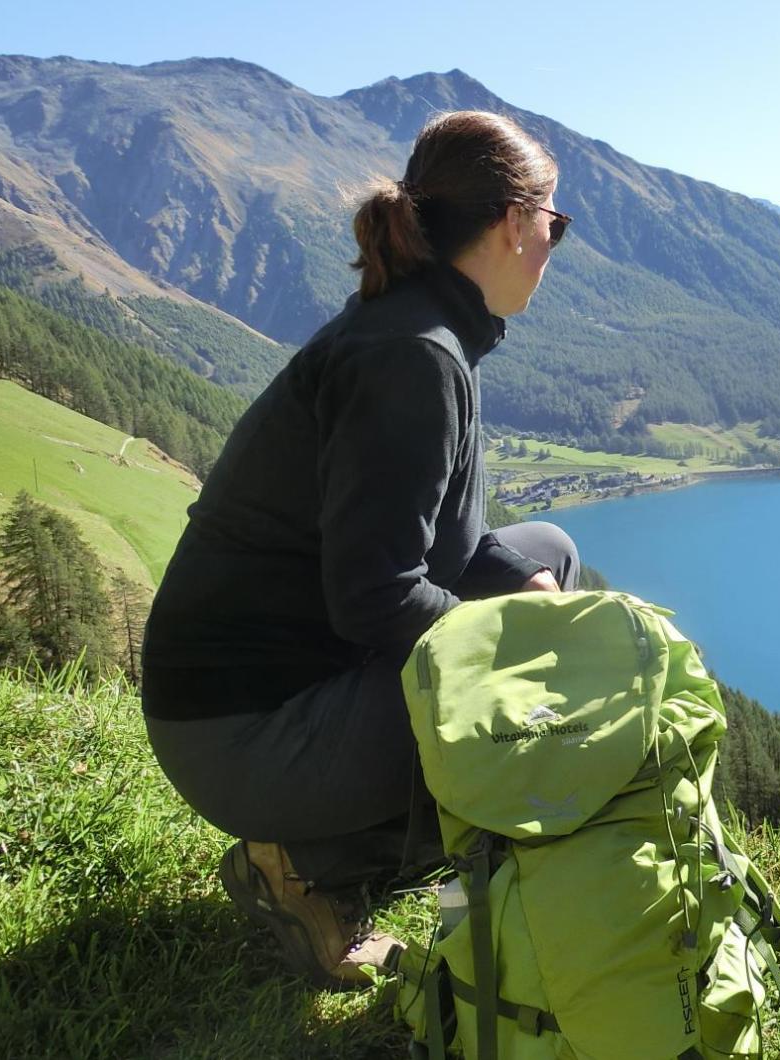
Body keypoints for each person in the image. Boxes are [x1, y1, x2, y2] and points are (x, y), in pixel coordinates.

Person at [140, 110, 580, 987]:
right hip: (245, 735)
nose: (552, 244)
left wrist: (529, 589)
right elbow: (378, 596)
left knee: (549, 555)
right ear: (511, 221)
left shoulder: (428, 331)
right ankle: (309, 867)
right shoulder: (412, 357)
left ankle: (344, 847)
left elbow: (445, 541)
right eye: (553, 224)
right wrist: (525, 660)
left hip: (280, 684)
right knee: (540, 716)